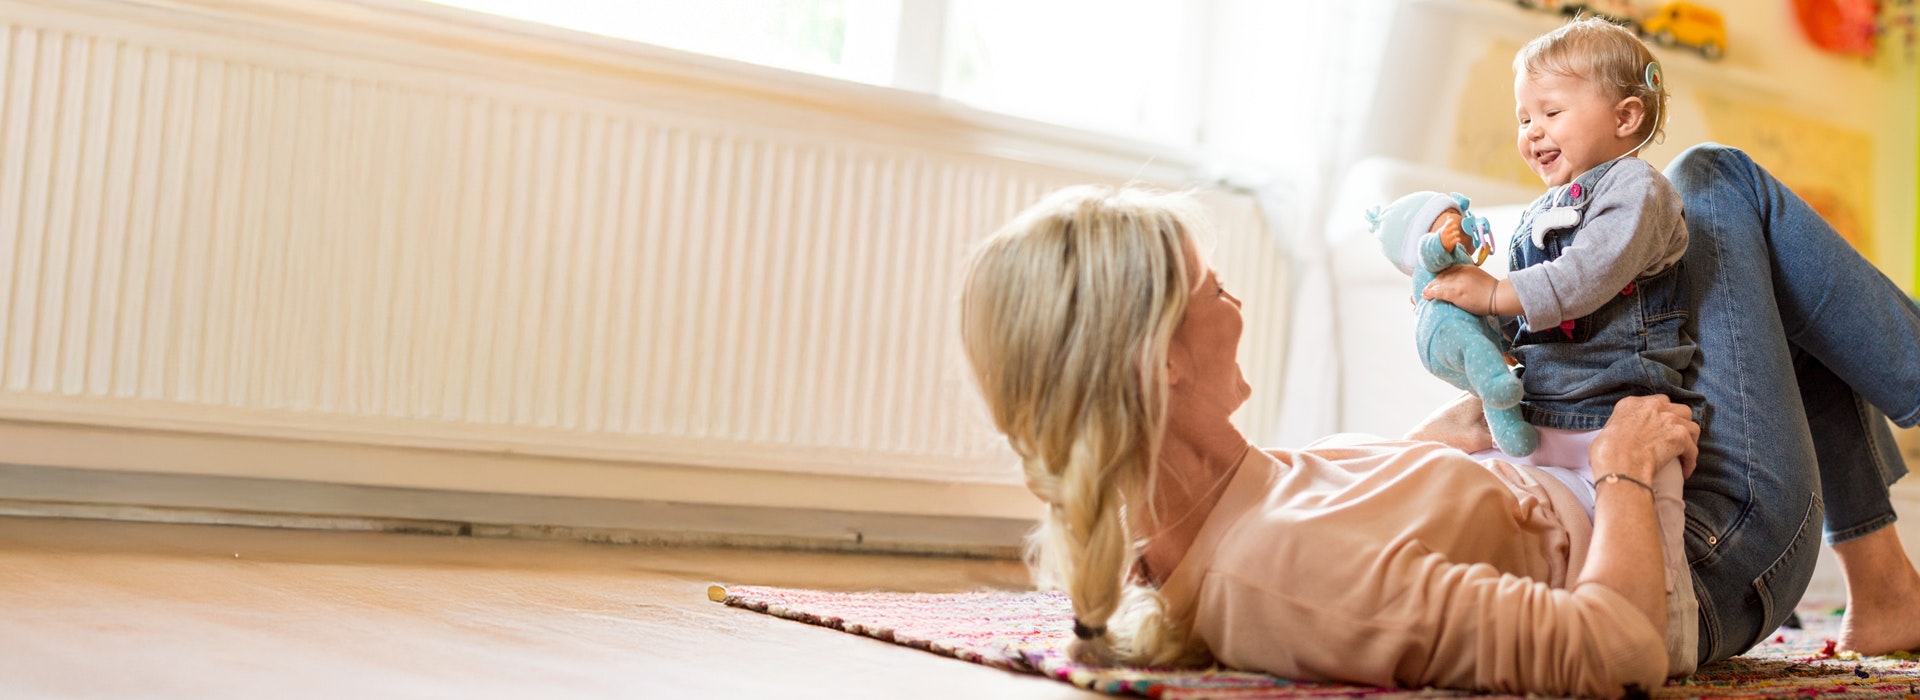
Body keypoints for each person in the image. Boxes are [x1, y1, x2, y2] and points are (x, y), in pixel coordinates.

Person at [956, 144, 1920, 698]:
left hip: (1608, 493)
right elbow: (1610, 654)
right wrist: (1624, 473)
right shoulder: (1282, 571)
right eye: (1212, 289)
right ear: (1159, 360)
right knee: (1715, 190)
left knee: (1724, 272)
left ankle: (1888, 596)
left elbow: (1363, 513)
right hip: (1696, 557)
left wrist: (1454, 433)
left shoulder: (1201, 517)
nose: (1235, 303)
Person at [1416, 17, 1705, 670]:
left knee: (1651, 525)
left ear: (1626, 117)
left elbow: (1583, 279)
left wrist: (1491, 292)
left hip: (1620, 416)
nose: (1531, 132)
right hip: (1542, 413)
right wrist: (1472, 331)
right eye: (1524, 117)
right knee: (1529, 522)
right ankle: (1533, 619)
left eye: (1550, 111)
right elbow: (1529, 328)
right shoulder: (1537, 214)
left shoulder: (1640, 191)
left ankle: (1670, 633)